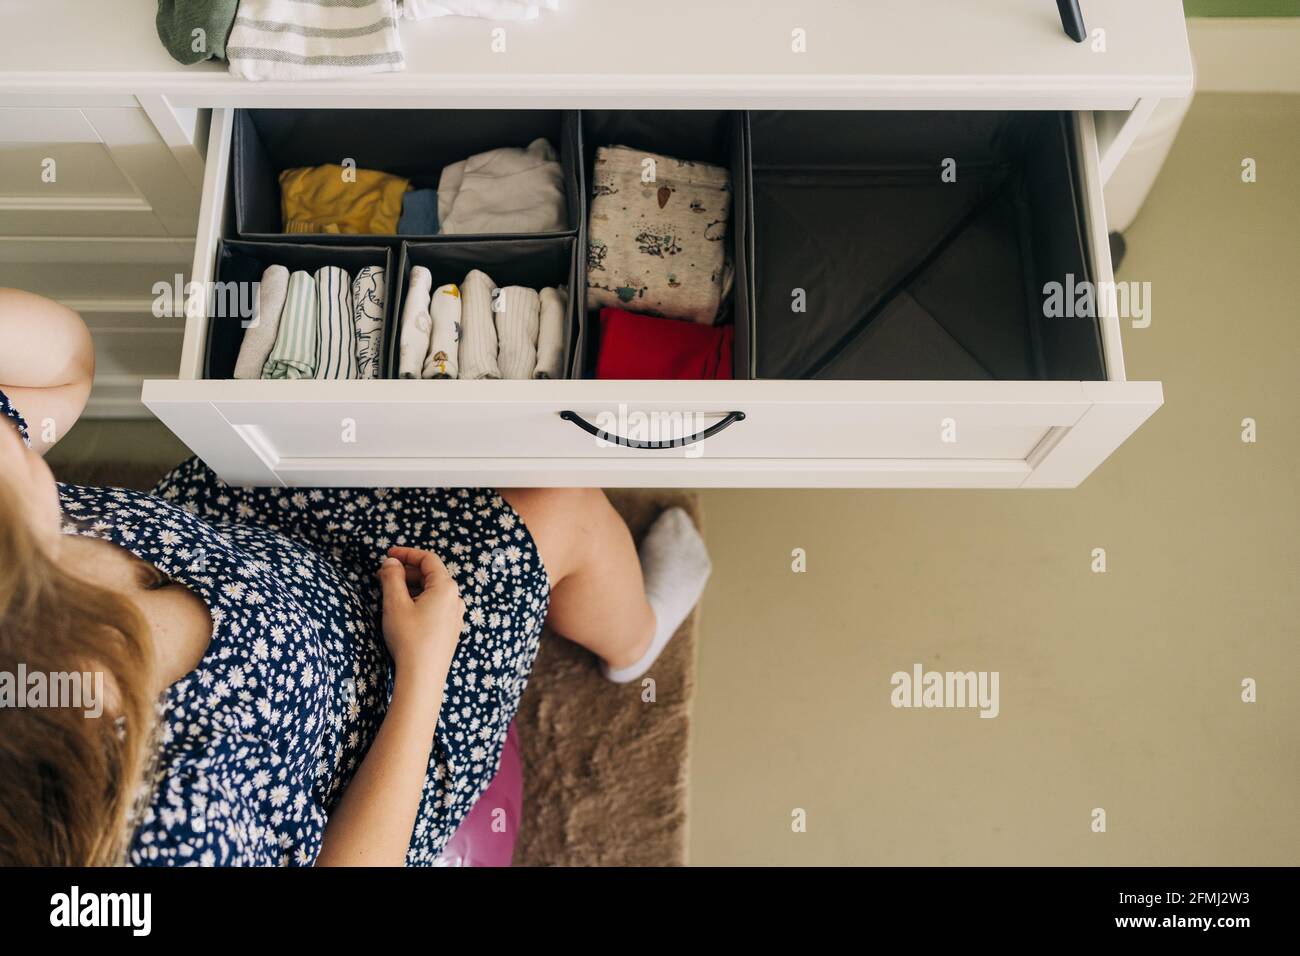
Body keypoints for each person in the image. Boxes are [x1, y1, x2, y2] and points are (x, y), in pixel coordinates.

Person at [0, 287, 711, 866]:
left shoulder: (23, 571)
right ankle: (633, 644)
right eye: (15, 453)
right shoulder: (157, 830)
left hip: (251, 542)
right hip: (375, 723)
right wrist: (424, 668)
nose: (21, 436)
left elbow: (63, 362)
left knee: (445, 428)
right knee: (564, 499)